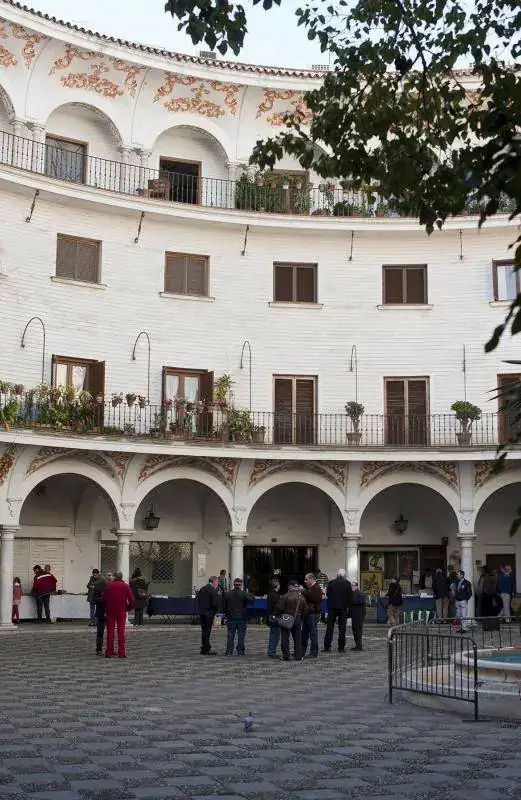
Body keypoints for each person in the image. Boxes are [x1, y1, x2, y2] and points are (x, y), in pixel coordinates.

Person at [103, 571, 135, 658]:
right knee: (121, 632)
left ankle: (109, 651)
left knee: (110, 631)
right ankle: (121, 652)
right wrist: (128, 608)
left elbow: (104, 599)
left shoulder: (109, 586)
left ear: (114, 577)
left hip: (110, 611)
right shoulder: (125, 586)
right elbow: (132, 600)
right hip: (121, 611)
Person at [276, 579, 307, 662]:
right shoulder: (301, 597)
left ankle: (286, 656)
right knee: (297, 638)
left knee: (285, 638)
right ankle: (298, 656)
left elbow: (279, 608)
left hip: (286, 618)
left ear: (289, 587)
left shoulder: (285, 596)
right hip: (297, 618)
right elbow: (305, 610)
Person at [324, 569, 353, 653]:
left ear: (337, 575)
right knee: (342, 629)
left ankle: (327, 646)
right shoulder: (347, 583)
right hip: (343, 608)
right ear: (344, 575)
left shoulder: (331, 583)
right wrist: (347, 606)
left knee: (330, 628)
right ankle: (341, 647)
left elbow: (328, 594)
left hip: (332, 608)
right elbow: (350, 596)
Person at [224, 578, 254, 656]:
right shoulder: (244, 594)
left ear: (234, 584)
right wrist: (250, 593)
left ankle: (229, 651)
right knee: (241, 636)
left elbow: (224, 606)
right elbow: (252, 601)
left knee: (230, 636)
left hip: (231, 618)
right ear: (241, 585)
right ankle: (240, 651)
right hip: (241, 618)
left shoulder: (228, 594)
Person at [301, 572, 322, 658]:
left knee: (313, 633)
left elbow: (315, 599)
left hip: (313, 613)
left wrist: (304, 591)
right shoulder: (310, 588)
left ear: (311, 579)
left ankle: (313, 652)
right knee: (304, 633)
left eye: (306, 579)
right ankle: (301, 651)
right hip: (307, 613)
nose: (305, 581)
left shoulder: (316, 588)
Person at [197, 576, 220, 655]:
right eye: (217, 582)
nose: (218, 583)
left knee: (204, 631)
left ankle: (204, 648)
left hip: (202, 613)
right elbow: (215, 603)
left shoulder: (202, 588)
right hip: (209, 613)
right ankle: (206, 649)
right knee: (207, 631)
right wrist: (217, 612)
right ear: (214, 581)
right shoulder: (213, 590)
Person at [93, 571, 113, 655]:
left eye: (111, 576)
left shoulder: (114, 586)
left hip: (111, 613)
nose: (110, 577)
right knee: (100, 632)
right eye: (108, 575)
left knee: (111, 633)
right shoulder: (99, 585)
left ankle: (110, 649)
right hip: (101, 612)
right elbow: (95, 599)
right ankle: (99, 649)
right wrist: (104, 598)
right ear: (105, 576)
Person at [350, 581, 366, 651]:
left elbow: (361, 602)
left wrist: (351, 601)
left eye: (353, 585)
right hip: (354, 614)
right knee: (354, 630)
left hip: (359, 615)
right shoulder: (352, 593)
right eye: (351, 585)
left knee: (358, 630)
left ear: (356, 586)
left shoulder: (359, 593)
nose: (352, 587)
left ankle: (359, 646)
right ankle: (357, 645)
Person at [267, 578, 281, 659]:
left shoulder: (270, 594)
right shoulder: (275, 595)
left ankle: (271, 651)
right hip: (275, 617)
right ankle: (272, 652)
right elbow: (277, 607)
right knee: (275, 635)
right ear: (276, 586)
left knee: (273, 634)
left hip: (271, 616)